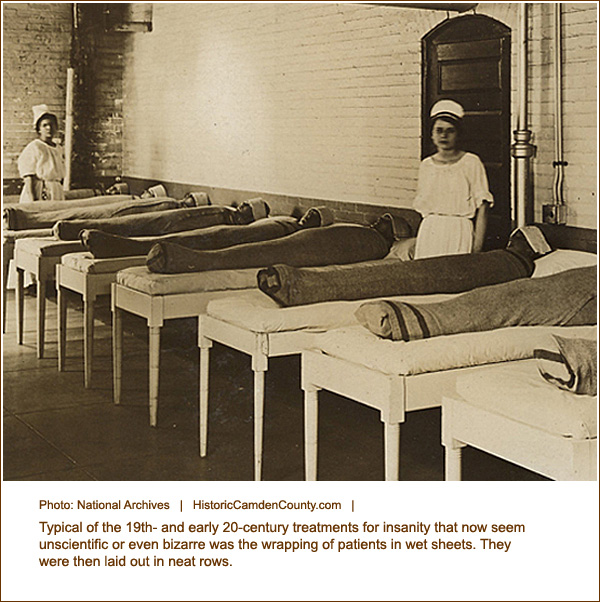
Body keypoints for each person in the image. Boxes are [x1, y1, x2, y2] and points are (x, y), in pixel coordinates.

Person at [413, 99, 493, 259]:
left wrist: (477, 249)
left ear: (458, 134)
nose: (444, 135)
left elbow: (483, 208)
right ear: (432, 134)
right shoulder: (426, 165)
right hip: (430, 233)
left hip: (459, 231)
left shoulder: (471, 162)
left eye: (450, 131)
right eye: (439, 130)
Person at [17, 104, 66, 203]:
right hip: (40, 191)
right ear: (39, 129)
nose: (49, 128)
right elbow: (28, 177)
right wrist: (33, 201)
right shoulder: (34, 147)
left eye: (52, 125)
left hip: (56, 191)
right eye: (45, 125)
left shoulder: (58, 149)